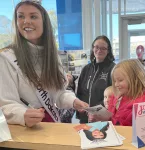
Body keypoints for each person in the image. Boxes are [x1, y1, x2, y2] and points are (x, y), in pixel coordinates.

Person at [0, 0, 88, 128]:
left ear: (44, 22)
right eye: (21, 16)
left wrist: (73, 101)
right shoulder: (6, 58)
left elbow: (59, 93)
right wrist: (23, 114)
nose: (26, 21)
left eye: (33, 16)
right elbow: (6, 103)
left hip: (50, 125)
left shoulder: (52, 56)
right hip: (23, 129)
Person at [89, 59, 145, 126]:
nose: (116, 85)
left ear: (135, 79)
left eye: (120, 80)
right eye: (115, 81)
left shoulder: (144, 103)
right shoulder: (118, 97)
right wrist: (103, 118)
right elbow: (113, 119)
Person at [76, 35, 115, 123]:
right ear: (93, 48)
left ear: (108, 51)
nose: (99, 50)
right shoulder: (86, 69)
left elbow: (114, 95)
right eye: (96, 47)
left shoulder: (113, 69)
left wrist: (95, 112)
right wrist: (79, 110)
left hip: (102, 118)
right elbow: (80, 92)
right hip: (85, 117)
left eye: (103, 48)